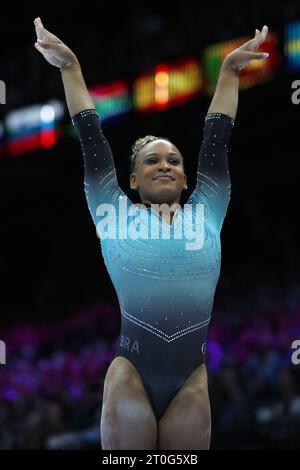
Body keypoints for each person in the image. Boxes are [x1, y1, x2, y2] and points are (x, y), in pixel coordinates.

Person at [33, 17, 269, 450]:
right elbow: (91, 138)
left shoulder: (208, 211)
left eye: (175, 161)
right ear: (133, 181)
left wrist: (230, 73)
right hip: (131, 375)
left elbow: (216, 142)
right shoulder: (111, 211)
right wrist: (70, 69)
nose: (165, 165)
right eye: (151, 160)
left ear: (185, 181)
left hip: (191, 380)